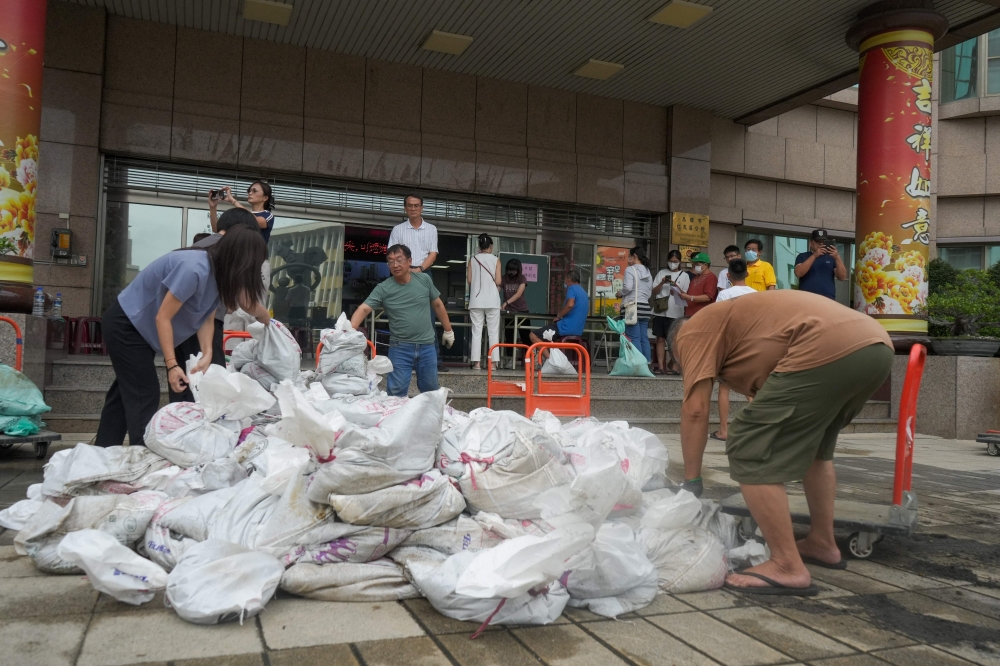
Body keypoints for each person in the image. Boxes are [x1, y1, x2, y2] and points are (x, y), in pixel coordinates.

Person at [668, 291, 893, 595]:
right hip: (874, 347)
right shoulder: (739, 329)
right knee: (816, 451)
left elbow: (695, 410)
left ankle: (786, 564)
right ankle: (822, 543)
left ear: (676, 348)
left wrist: (691, 480)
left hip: (827, 345)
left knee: (748, 442)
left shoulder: (691, 332)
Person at [97, 226, 270, 447]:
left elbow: (205, 315)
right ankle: (144, 457)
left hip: (141, 328)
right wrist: (171, 365)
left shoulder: (218, 275)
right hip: (127, 324)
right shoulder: (194, 267)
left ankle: (103, 449)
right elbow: (163, 317)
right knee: (144, 392)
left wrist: (207, 352)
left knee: (125, 392)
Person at [169, 208, 262, 403]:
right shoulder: (222, 249)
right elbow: (245, 301)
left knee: (184, 382)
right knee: (211, 380)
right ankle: (202, 425)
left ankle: (182, 423)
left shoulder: (200, 247)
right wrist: (269, 322)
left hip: (180, 324)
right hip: (201, 323)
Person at [349, 244, 455, 397]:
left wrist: (448, 330)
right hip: (400, 348)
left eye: (399, 260)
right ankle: (396, 420)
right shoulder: (384, 288)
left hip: (427, 346)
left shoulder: (424, 280)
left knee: (431, 390)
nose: (395, 265)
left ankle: (430, 420)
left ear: (409, 260)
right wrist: (351, 330)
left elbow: (438, 304)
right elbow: (363, 309)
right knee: (396, 392)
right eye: (391, 262)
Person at [388, 194, 448, 372]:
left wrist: (420, 269)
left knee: (428, 318)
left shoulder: (431, 229)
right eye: (409, 206)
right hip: (402, 275)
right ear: (405, 208)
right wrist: (404, 269)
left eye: (416, 206)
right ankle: (404, 359)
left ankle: (434, 361)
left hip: (423, 273)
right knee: (403, 316)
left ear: (422, 208)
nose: (413, 208)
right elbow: (393, 255)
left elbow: (433, 254)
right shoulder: (398, 230)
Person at [710, 258, 757, 442]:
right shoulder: (756, 294)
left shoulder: (724, 295)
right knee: (750, 389)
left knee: (724, 388)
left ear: (728, 275)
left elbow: (717, 321)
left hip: (729, 343)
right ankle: (759, 428)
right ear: (747, 273)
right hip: (750, 343)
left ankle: (724, 431)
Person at [529, 268, 588, 357]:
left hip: (565, 327)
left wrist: (559, 316)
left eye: (565, 279)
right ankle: (551, 359)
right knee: (547, 336)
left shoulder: (571, 288)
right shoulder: (584, 292)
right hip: (578, 330)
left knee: (533, 335)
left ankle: (550, 360)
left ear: (569, 279)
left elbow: (570, 305)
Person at [651, 250, 690, 375]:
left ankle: (674, 366)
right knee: (660, 339)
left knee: (674, 341)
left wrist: (676, 287)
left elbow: (685, 294)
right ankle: (661, 366)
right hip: (660, 311)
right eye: (670, 261)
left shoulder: (684, 275)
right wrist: (662, 282)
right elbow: (654, 291)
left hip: (676, 312)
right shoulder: (662, 272)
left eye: (675, 262)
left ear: (679, 262)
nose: (672, 264)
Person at [467, 233, 502, 370]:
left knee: (476, 332)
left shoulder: (472, 259)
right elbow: (498, 281)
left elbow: (469, 280)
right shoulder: (496, 260)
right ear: (491, 246)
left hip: (476, 301)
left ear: (479, 246)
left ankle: (476, 363)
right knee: (493, 332)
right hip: (492, 300)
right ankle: (492, 364)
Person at [617, 246, 653, 364]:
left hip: (632, 308)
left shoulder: (630, 269)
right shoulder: (648, 271)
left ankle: (637, 363)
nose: (628, 258)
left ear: (635, 256)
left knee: (634, 337)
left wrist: (619, 293)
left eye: (630, 256)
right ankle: (646, 362)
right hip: (645, 308)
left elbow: (627, 287)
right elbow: (649, 292)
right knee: (643, 337)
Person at [209, 181, 276, 243]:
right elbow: (216, 229)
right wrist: (212, 208)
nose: (250, 193)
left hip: (255, 254)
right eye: (249, 191)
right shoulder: (241, 214)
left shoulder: (267, 215)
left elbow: (254, 221)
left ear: (265, 198)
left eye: (254, 191)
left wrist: (232, 200)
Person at [794, 229, 848, 299]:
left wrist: (837, 257)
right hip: (806, 298)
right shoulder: (803, 256)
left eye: (823, 242)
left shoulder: (831, 257)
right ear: (811, 243)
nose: (821, 244)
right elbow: (798, 273)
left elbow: (842, 277)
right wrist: (815, 255)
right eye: (818, 242)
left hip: (827, 299)